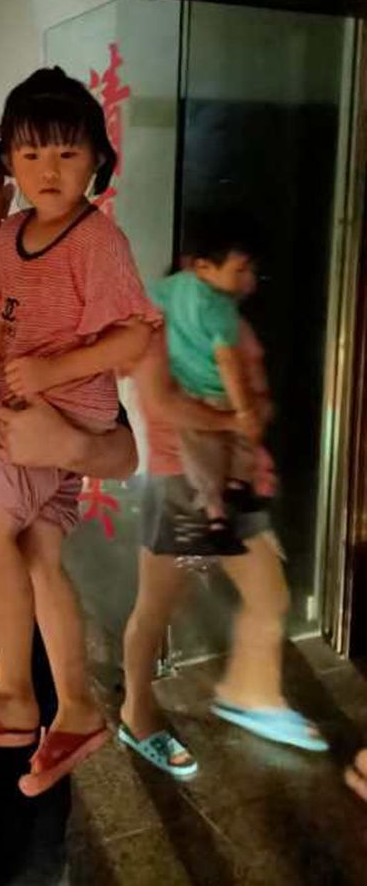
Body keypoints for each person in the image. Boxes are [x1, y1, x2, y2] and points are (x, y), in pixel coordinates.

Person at [0, 69, 160, 798]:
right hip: (24, 413)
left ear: (98, 157)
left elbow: (134, 336)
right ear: (10, 163)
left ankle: (12, 696)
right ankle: (79, 708)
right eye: (31, 155)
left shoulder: (98, 241)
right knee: (37, 552)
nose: (49, 170)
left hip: (58, 417)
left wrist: (54, 370)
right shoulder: (11, 234)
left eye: (67, 153)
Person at [119, 302, 328, 777]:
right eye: (237, 270)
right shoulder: (158, 329)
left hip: (232, 486)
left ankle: (250, 693)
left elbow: (254, 405)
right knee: (155, 609)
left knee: (269, 594)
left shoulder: (229, 327)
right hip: (177, 487)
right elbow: (162, 403)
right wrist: (233, 419)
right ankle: (137, 715)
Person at [147, 216, 265, 555]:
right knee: (242, 436)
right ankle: (236, 487)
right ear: (203, 266)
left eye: (251, 270)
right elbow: (228, 363)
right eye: (240, 270)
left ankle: (218, 516)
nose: (248, 279)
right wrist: (243, 411)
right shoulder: (221, 309)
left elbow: (145, 297)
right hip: (219, 390)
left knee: (202, 455)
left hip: (189, 389)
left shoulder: (176, 286)